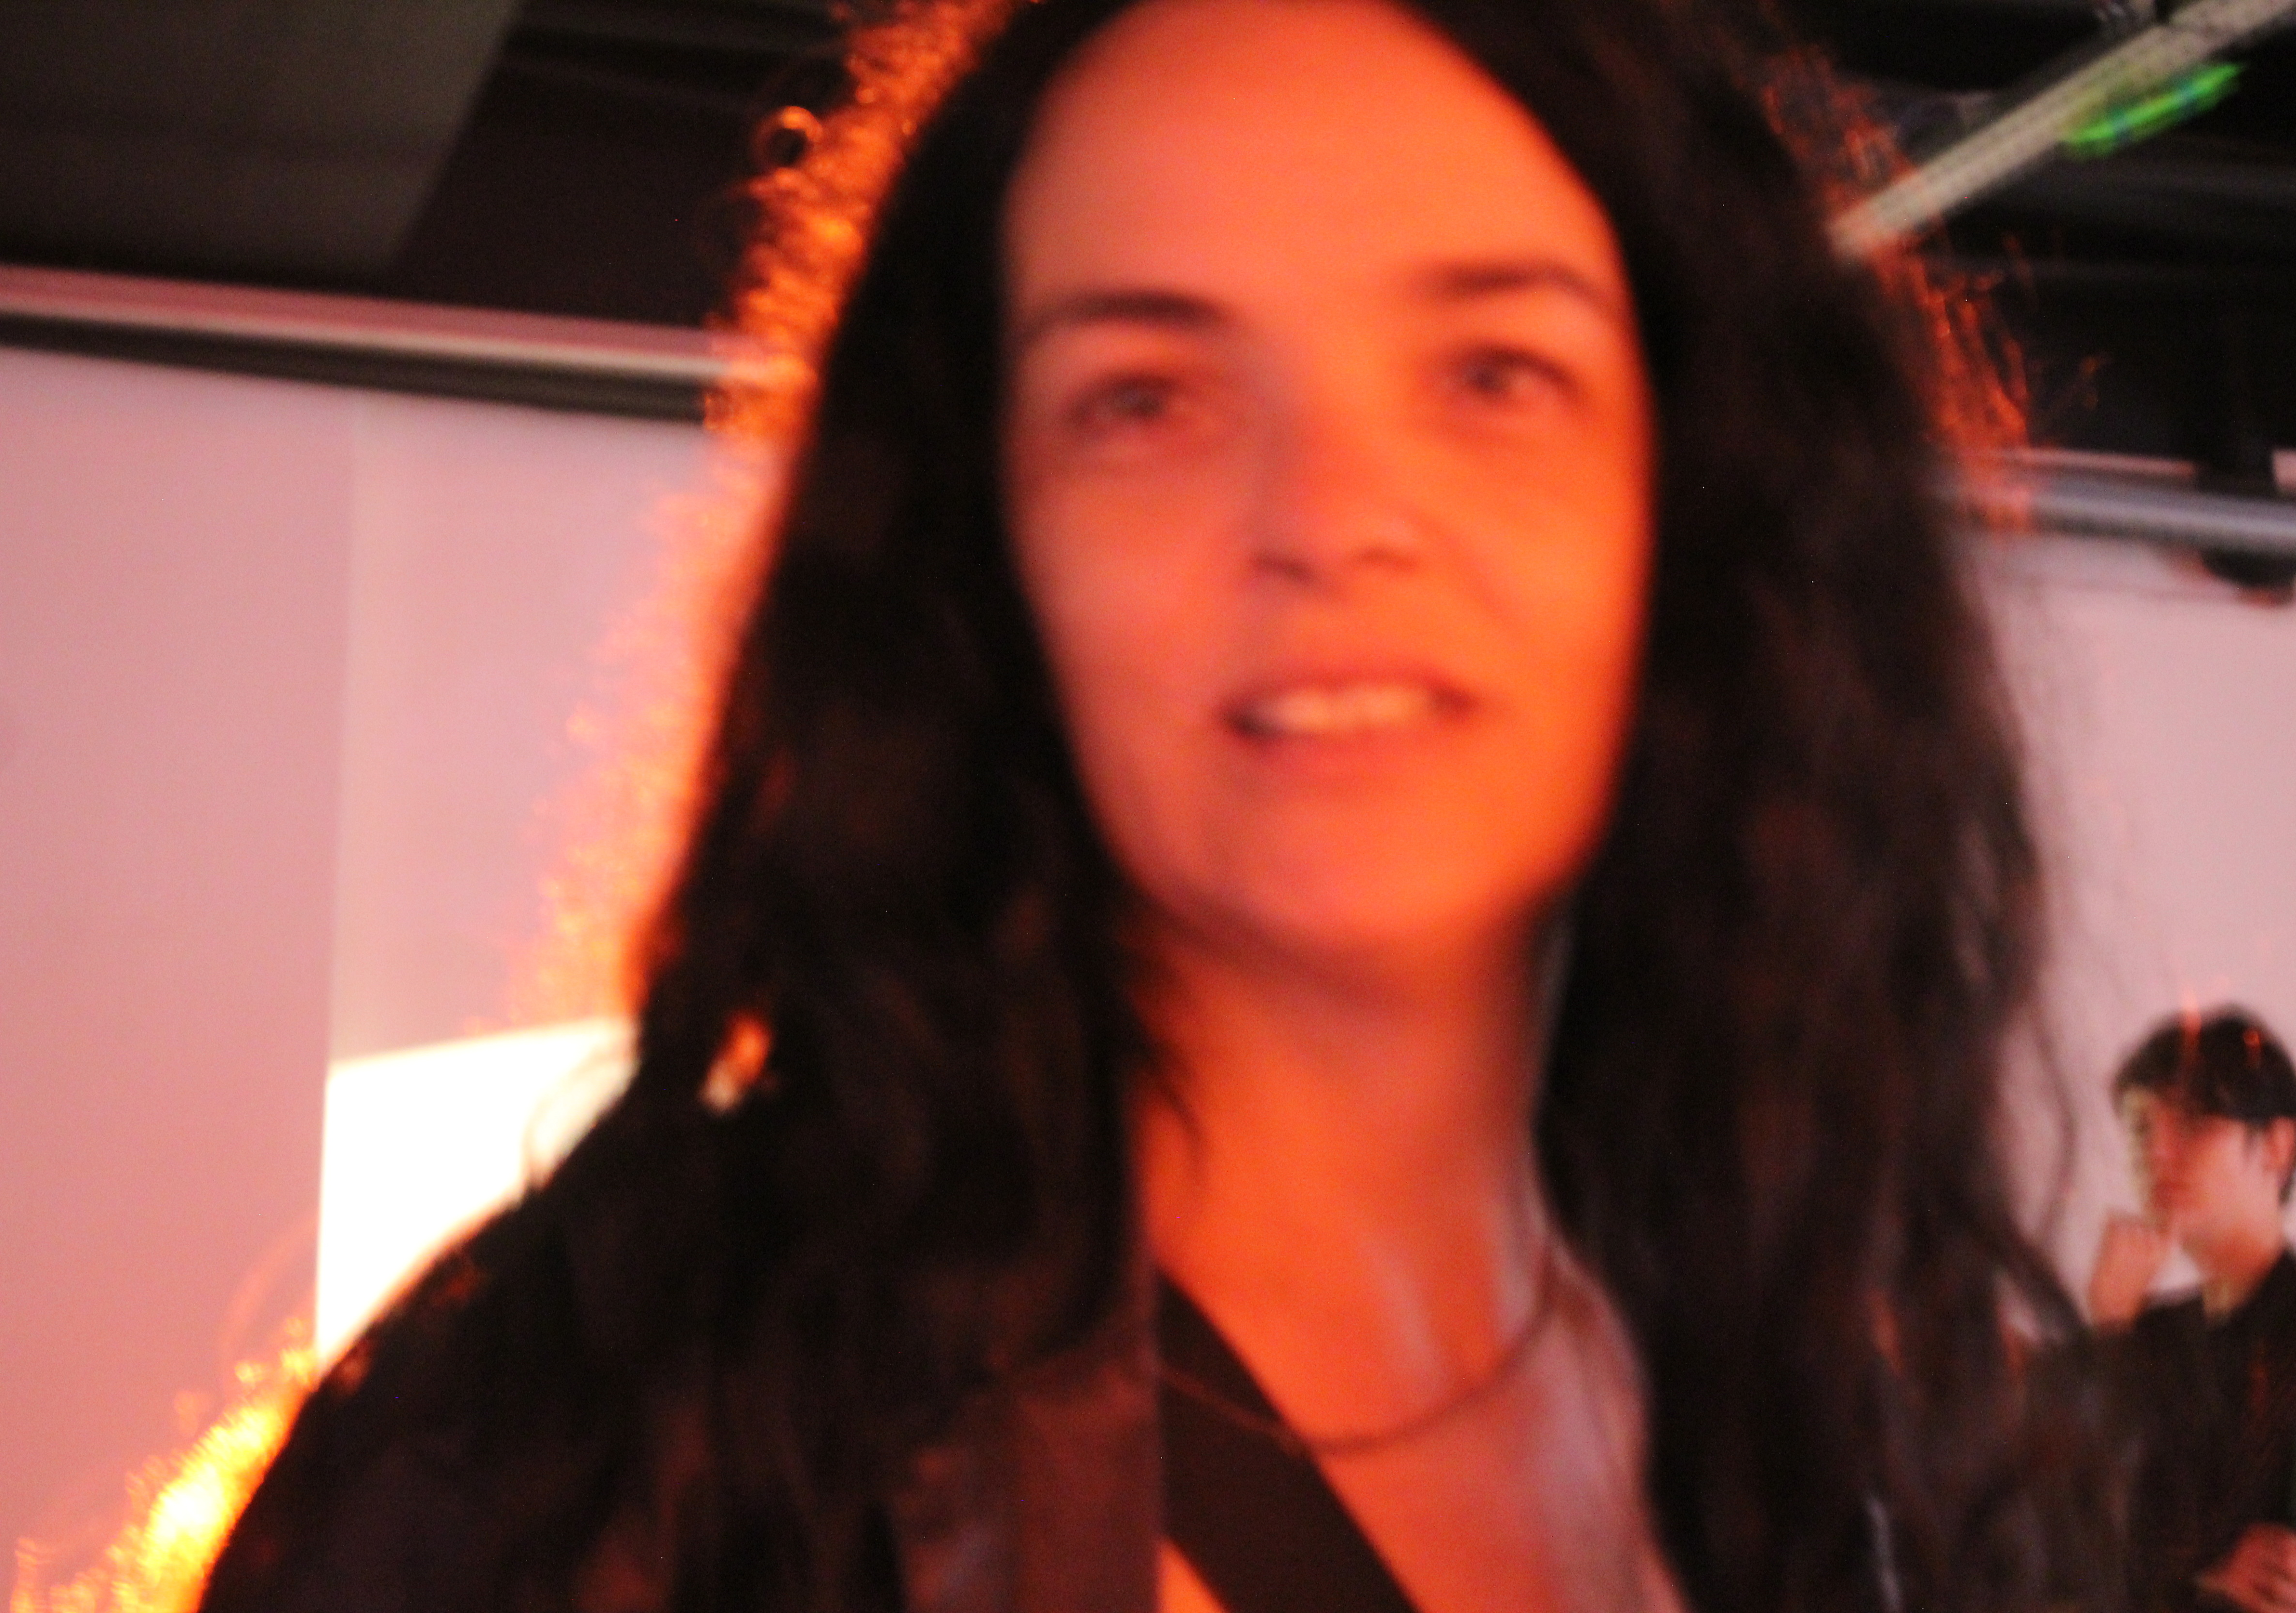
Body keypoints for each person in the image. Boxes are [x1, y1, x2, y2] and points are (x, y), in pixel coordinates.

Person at [198, 1, 2107, 1611]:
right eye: (1146, 399)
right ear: (980, 541)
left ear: (1700, 502)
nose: (1327, 516)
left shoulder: (1817, 1404)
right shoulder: (616, 1444)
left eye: (1489, 373)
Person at [2088, 1009, 2296, 1613]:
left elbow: (2223, 1515)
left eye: (2192, 1124)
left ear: (2276, 1147)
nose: (2156, 1152)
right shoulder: (2150, 1332)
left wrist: (2108, 1340)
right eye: (2140, 1128)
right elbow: (2063, 1542)